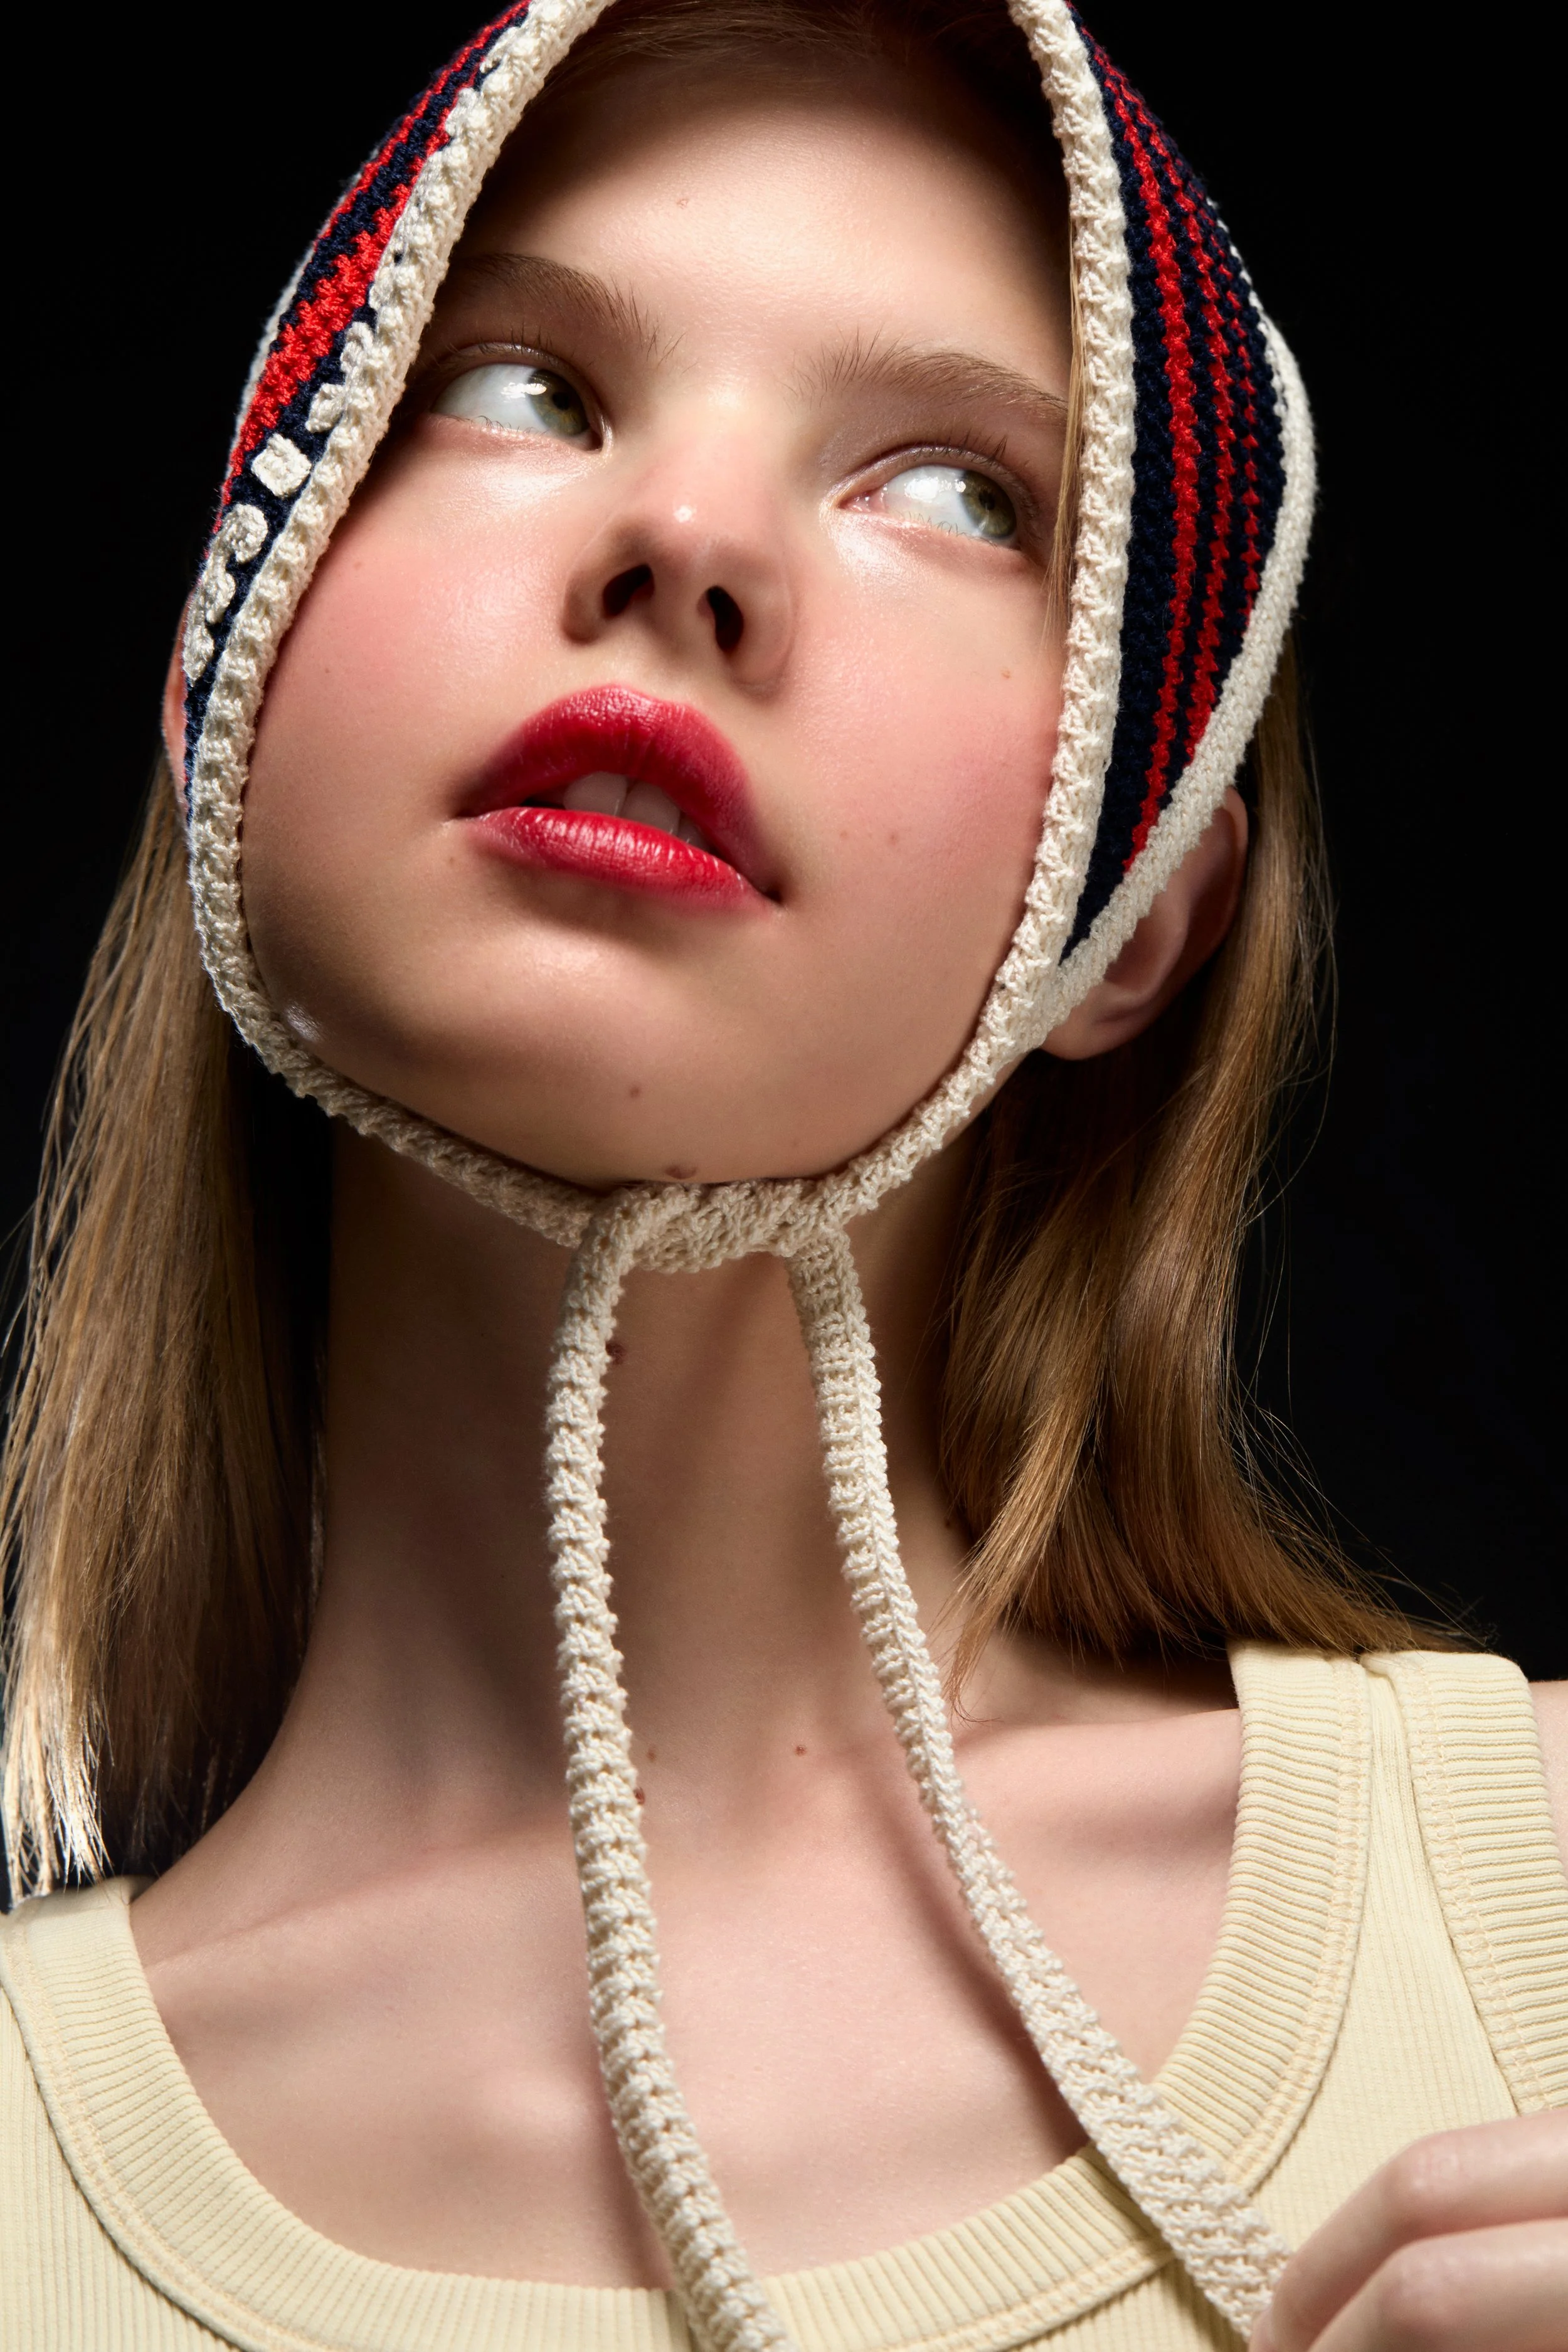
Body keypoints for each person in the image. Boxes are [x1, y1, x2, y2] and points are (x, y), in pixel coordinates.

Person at [3, 2, 1564, 2346]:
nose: (690, 535)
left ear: (1135, 909)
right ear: (229, 655)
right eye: (523, 387)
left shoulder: (1532, 1895)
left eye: (958, 489)